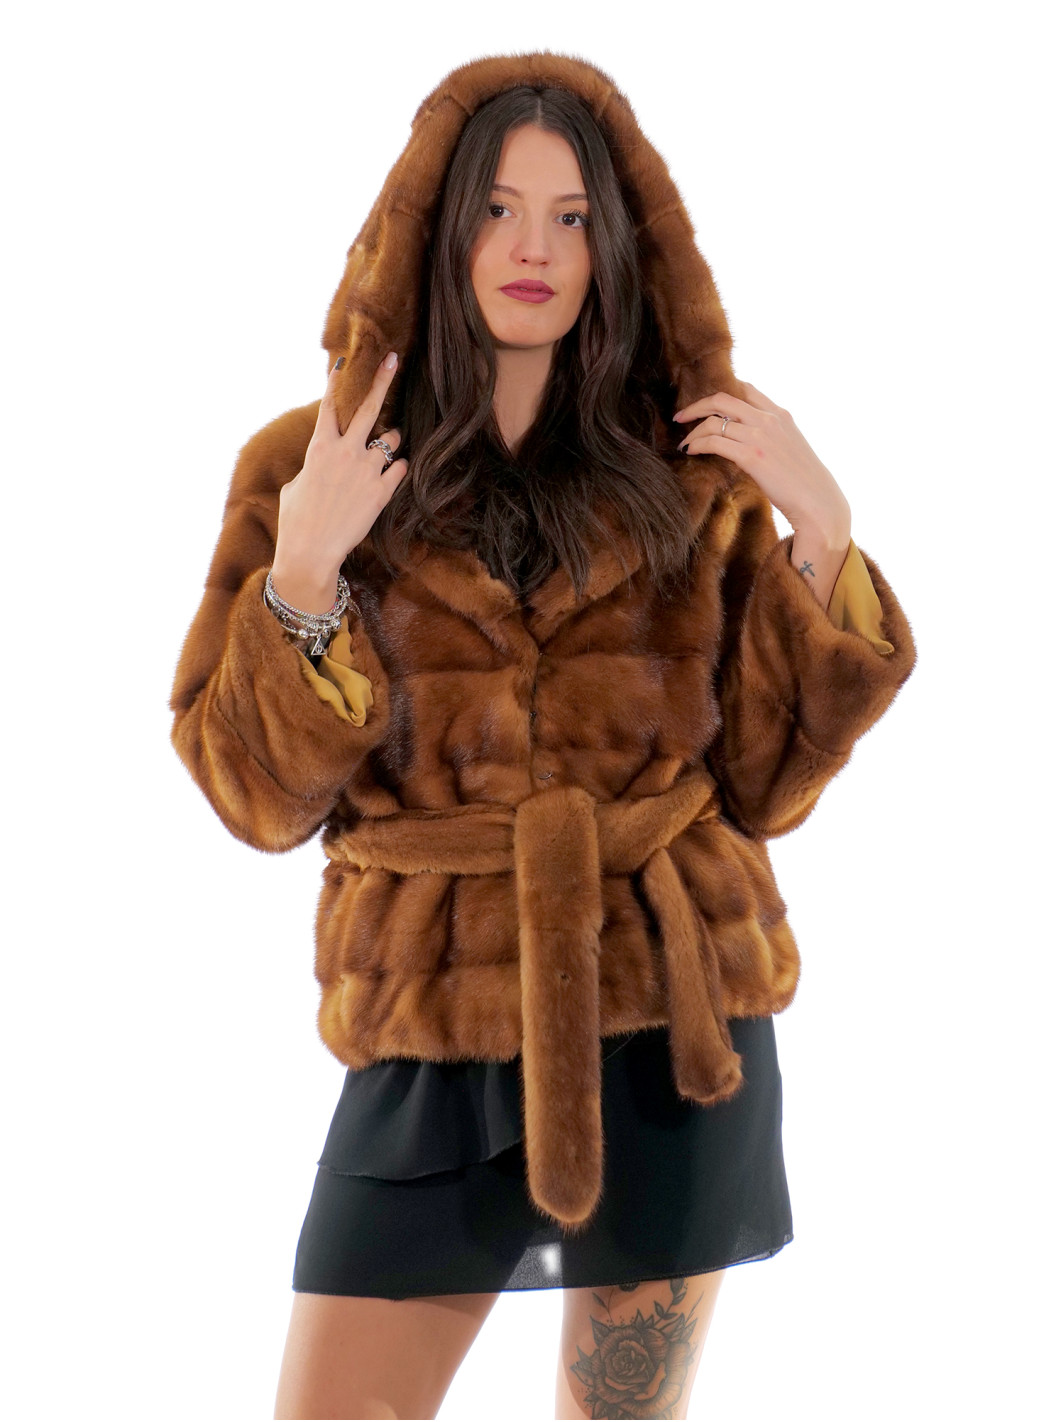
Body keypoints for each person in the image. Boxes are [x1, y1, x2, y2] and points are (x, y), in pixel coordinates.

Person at [168, 51, 916, 1421]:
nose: (534, 249)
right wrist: (306, 574)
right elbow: (254, 799)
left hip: (670, 1016)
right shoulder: (306, 468)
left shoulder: (693, 473)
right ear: (435, 230)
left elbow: (763, 785)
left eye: (570, 217)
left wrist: (822, 536)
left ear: (612, 246)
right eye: (500, 211)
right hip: (432, 1022)